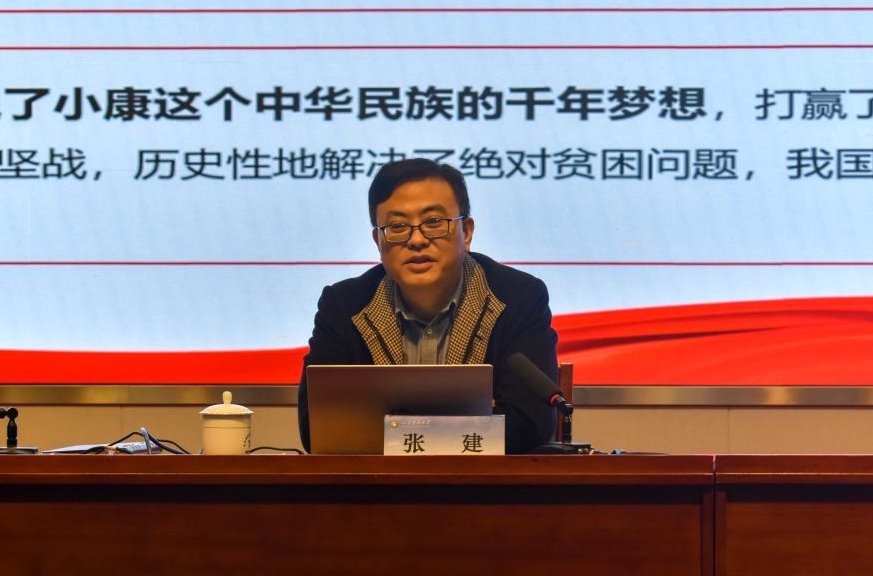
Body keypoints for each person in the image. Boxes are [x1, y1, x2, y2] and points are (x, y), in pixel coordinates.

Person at [297, 158, 557, 454]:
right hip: (377, 482)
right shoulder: (343, 306)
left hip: (483, 481)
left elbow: (531, 424)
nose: (417, 240)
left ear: (466, 232)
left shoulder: (519, 298)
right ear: (378, 240)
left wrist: (396, 427)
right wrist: (478, 421)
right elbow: (316, 429)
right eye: (397, 226)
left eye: (434, 223)